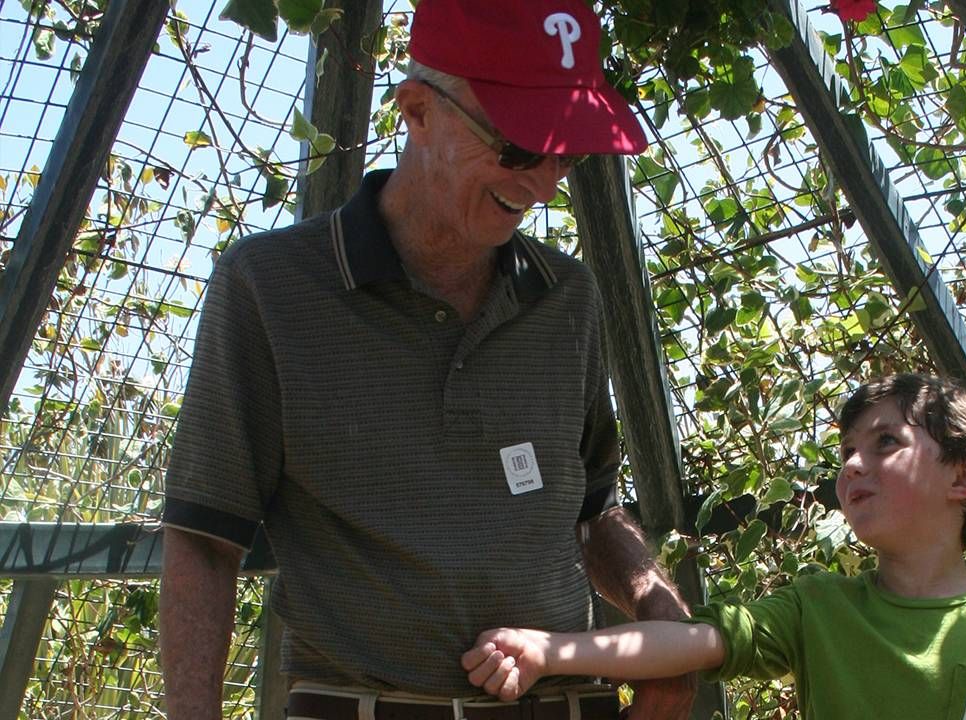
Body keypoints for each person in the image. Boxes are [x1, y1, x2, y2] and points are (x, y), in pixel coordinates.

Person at [157, 1, 696, 718]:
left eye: (565, 151)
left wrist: (665, 620)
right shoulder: (271, 289)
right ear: (416, 111)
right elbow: (203, 539)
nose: (542, 183)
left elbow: (595, 512)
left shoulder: (568, 298)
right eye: (516, 146)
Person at [462, 374, 966, 719]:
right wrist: (551, 651)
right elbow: (688, 641)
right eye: (845, 453)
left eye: (885, 443)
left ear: (964, 477)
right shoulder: (818, 607)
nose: (851, 466)